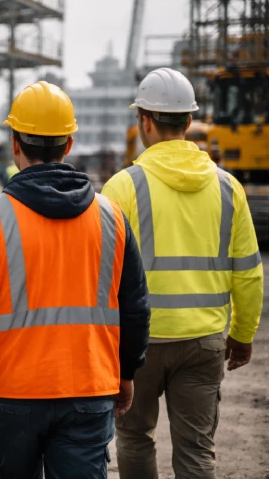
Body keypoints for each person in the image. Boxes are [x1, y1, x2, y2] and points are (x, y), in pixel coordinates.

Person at [0, 81, 151, 478]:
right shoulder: (112, 217)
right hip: (89, 387)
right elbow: (135, 309)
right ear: (69, 144)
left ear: (15, 144)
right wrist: (127, 372)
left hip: (13, 393)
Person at [102, 68, 264, 479]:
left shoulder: (121, 187)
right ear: (189, 120)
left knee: (135, 439)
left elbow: (103, 276)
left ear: (145, 121)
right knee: (196, 450)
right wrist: (242, 334)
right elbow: (248, 272)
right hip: (203, 341)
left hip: (138, 345)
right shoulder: (229, 188)